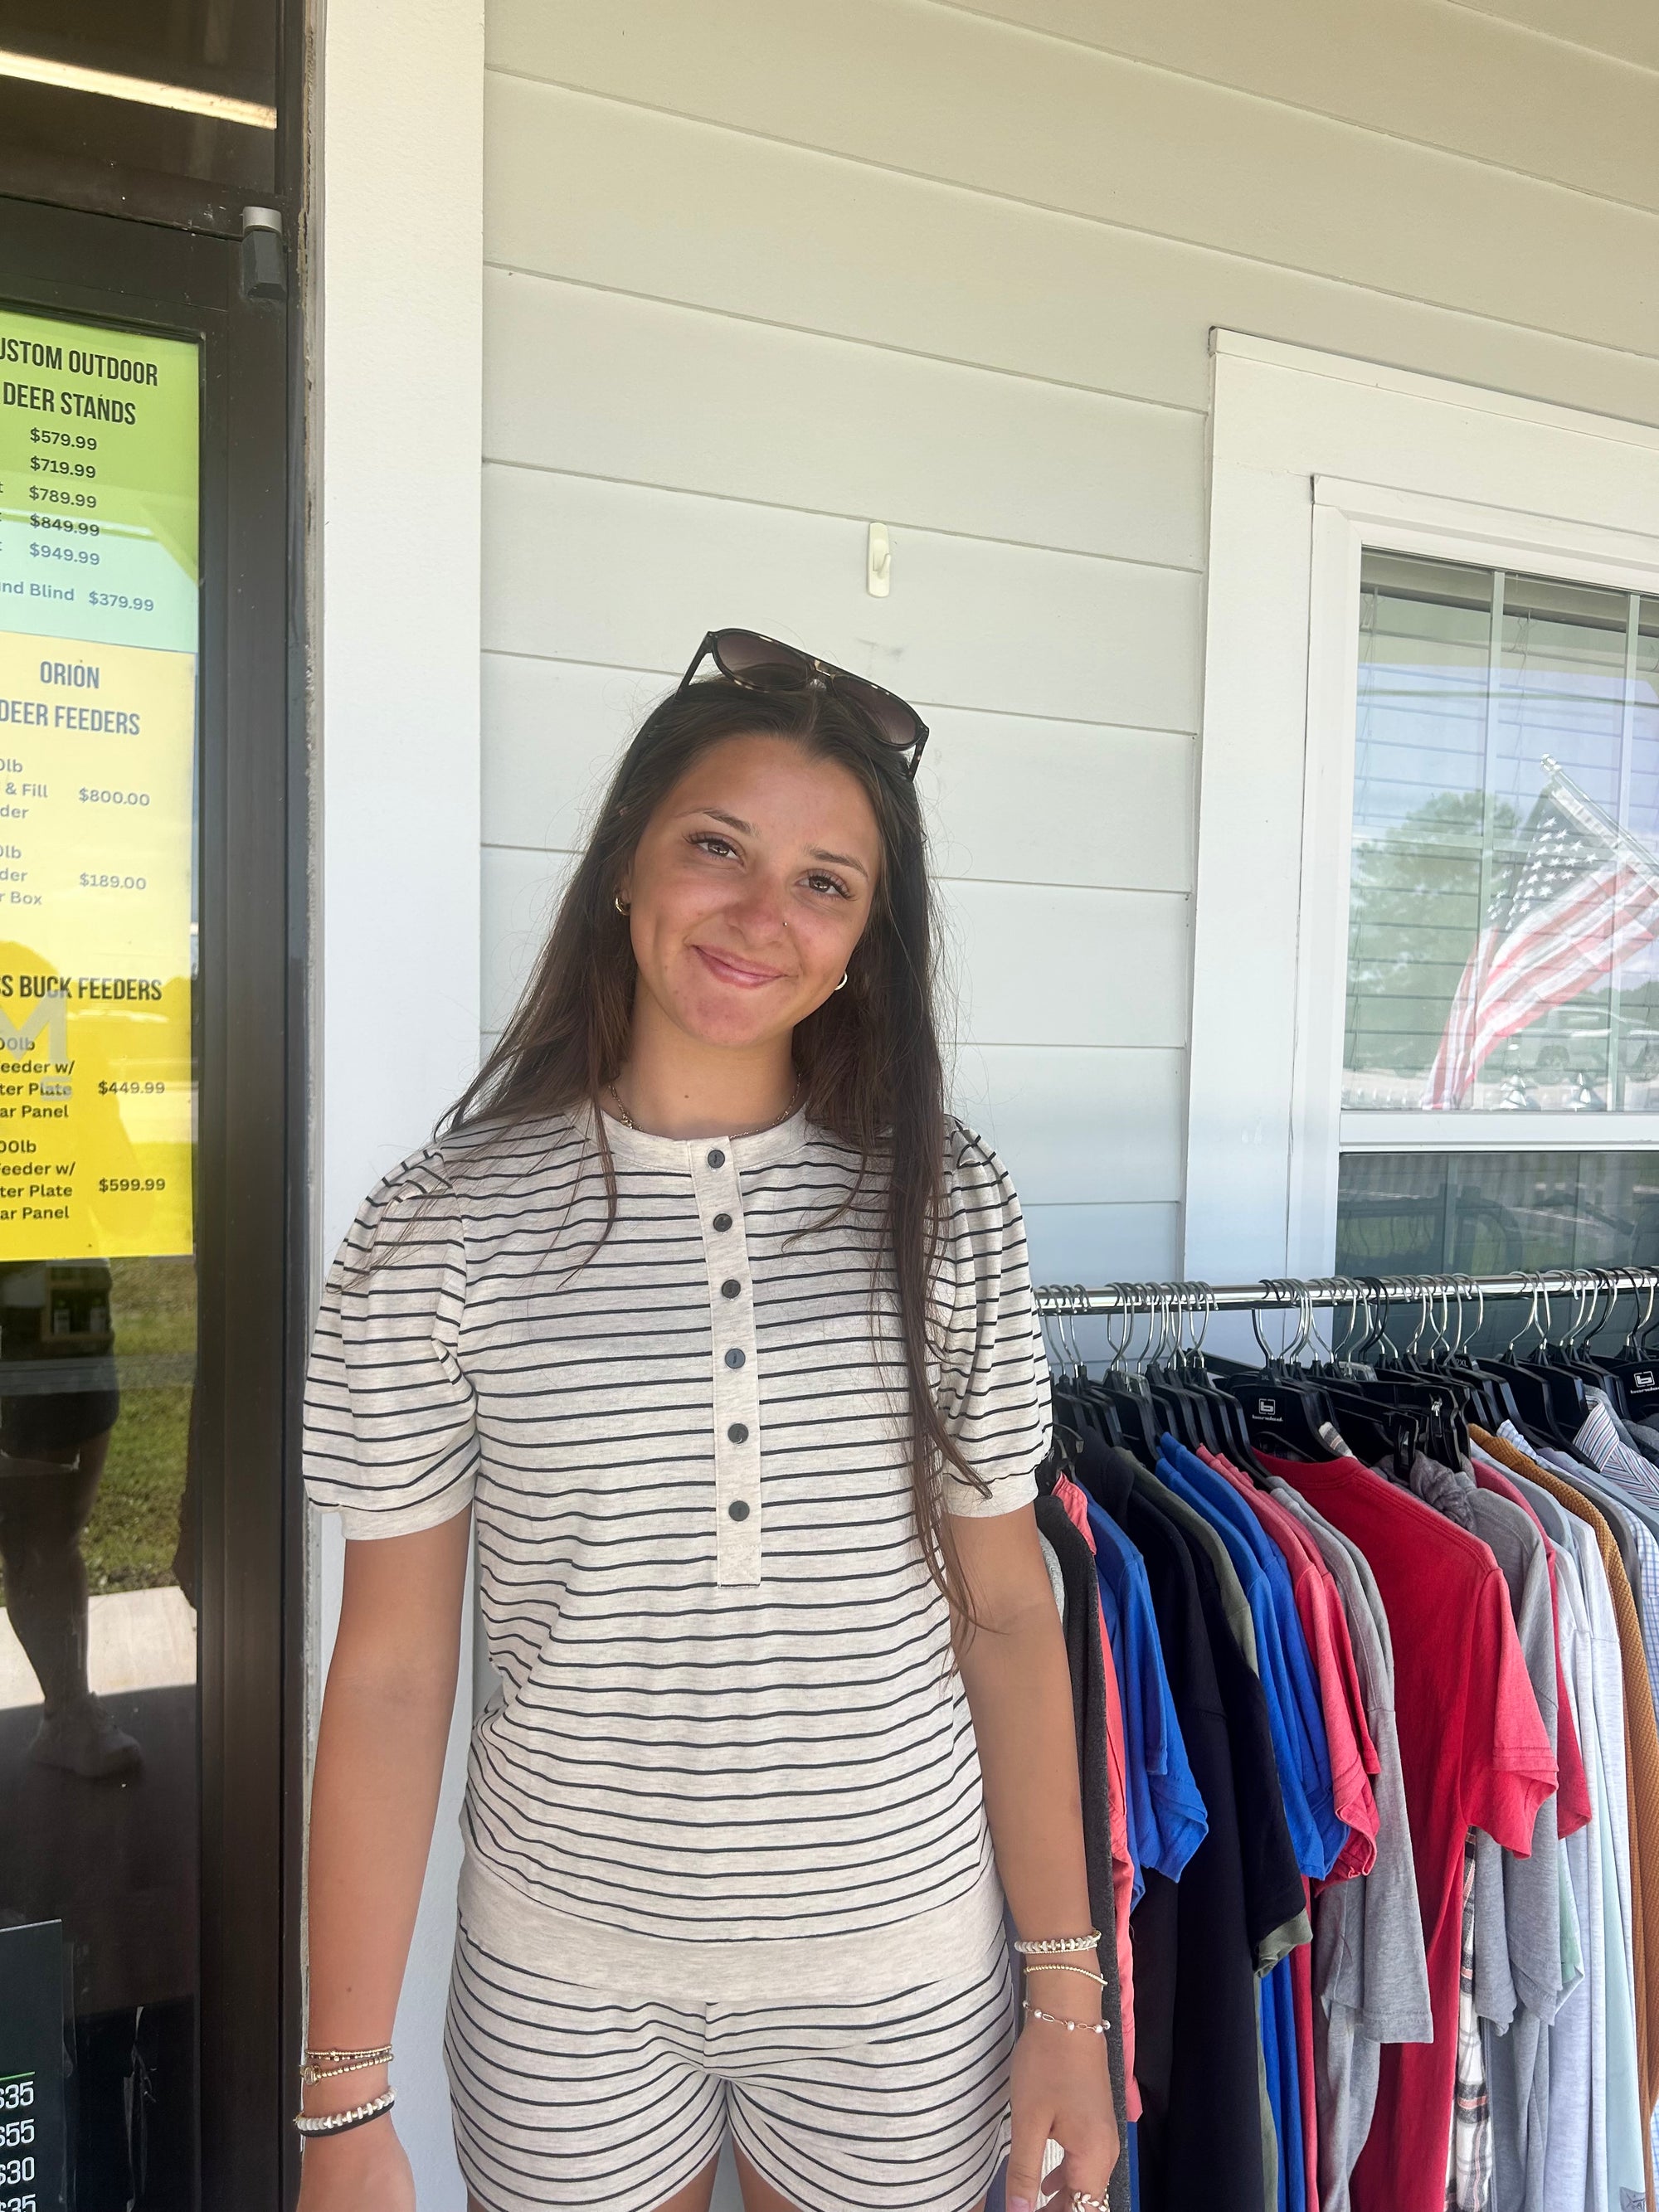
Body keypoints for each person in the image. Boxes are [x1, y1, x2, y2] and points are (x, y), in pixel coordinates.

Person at [297, 630, 1118, 2212]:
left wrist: (1066, 2003)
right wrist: (343, 2103)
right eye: (717, 847)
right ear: (626, 865)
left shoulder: (946, 1206)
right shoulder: (437, 1229)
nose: (761, 916)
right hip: (566, 1983)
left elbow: (1011, 1613)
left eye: (827, 882)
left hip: (904, 1980)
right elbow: (394, 1673)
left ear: (869, 940)